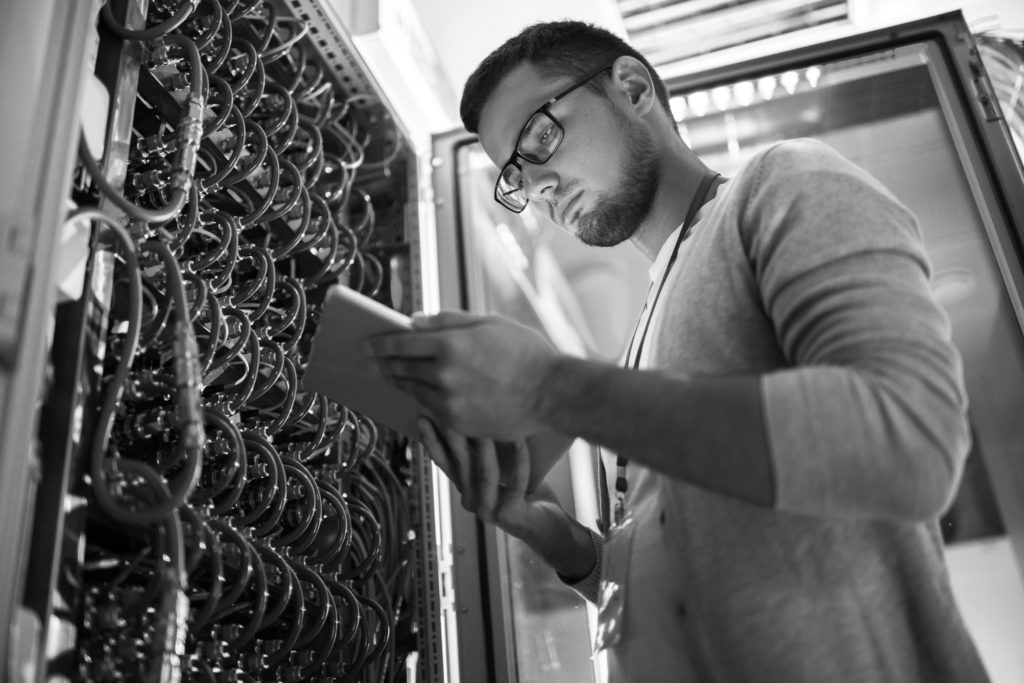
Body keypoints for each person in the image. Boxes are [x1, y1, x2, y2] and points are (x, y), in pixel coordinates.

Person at [367, 20, 991, 682]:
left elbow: (909, 438)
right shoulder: (642, 335)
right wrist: (568, 544)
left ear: (633, 87)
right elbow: (674, 584)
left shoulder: (783, 182)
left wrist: (553, 387)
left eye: (540, 138)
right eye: (514, 176)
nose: (538, 187)